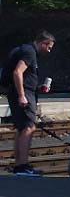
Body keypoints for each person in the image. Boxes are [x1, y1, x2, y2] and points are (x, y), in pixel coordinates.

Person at [0, 31, 55, 176]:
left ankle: (19, 165)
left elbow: (24, 77)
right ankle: (23, 166)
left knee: (21, 128)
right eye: (49, 47)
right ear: (43, 43)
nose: (49, 51)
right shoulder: (30, 52)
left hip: (20, 92)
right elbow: (17, 72)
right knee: (29, 128)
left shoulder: (24, 49)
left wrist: (37, 88)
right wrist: (22, 95)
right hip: (23, 94)